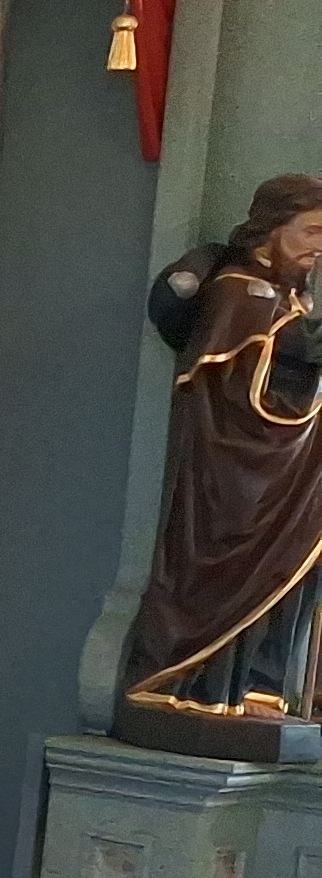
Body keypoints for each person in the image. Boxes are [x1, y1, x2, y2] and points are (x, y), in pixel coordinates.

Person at [124, 175, 322, 726]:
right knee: (234, 574)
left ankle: (255, 689)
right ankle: (196, 684)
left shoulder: (288, 295)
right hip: (236, 473)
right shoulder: (242, 291)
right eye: (311, 231)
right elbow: (298, 348)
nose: (319, 247)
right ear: (271, 229)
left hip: (284, 467)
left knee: (290, 567)